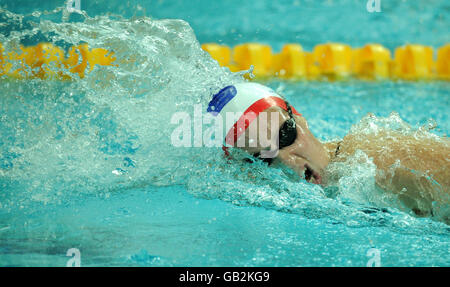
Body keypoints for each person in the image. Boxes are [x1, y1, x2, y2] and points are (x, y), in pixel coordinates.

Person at [207, 82, 449, 220]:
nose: (290, 162)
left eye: (286, 135)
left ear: (299, 117)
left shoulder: (377, 159)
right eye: (265, 158)